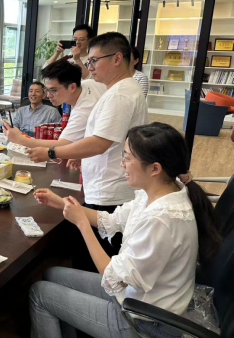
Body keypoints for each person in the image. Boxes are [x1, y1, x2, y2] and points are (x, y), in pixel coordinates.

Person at [29, 123, 222, 338]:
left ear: (154, 169)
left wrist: (81, 224)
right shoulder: (162, 190)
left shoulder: (161, 219)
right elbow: (111, 220)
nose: (122, 164)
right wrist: (61, 203)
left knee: (40, 294)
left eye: (127, 158)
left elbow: (112, 275)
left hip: (145, 321)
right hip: (139, 298)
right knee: (52, 274)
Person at [29, 32, 148, 263]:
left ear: (117, 58)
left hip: (109, 191)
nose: (89, 66)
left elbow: (99, 143)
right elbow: (104, 139)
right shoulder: (115, 88)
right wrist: (82, 156)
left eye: (94, 60)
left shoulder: (120, 95)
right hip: (106, 185)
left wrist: (51, 152)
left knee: (93, 259)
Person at [4, 59, 106, 147]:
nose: (48, 95)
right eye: (47, 90)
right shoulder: (88, 83)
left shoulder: (83, 111)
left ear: (72, 87)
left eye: (53, 90)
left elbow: (63, 145)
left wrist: (20, 139)